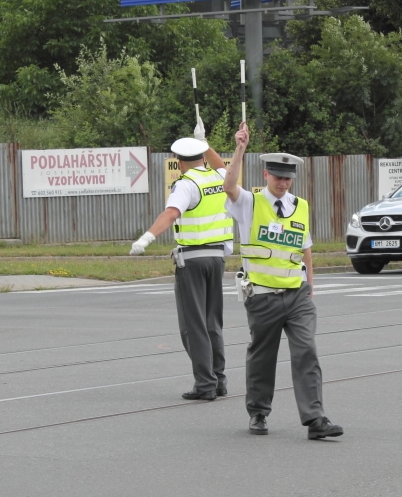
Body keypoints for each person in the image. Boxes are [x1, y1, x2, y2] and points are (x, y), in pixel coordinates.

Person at [222, 122, 343, 439]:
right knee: (263, 357)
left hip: (297, 296)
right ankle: (258, 412)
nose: (283, 183)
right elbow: (229, 186)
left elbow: (306, 247)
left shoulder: (300, 206)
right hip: (262, 297)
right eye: (277, 177)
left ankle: (315, 420)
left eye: (288, 178)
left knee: (307, 351)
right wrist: (239, 149)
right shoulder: (250, 202)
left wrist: (310, 285)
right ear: (266, 175)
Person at [130, 120, 232, 400]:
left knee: (193, 325)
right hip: (217, 259)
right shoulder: (217, 178)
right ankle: (219, 379)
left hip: (193, 260)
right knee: (213, 322)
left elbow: (171, 214)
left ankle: (205, 384)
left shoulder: (186, 185)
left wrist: (146, 238)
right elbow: (221, 163)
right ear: (201, 157)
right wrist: (206, 142)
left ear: (178, 161)